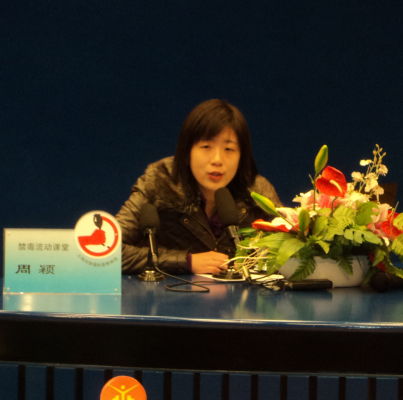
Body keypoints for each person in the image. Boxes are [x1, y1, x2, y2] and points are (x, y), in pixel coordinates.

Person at [116, 99, 282, 275]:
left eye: (228, 149)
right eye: (206, 147)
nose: (217, 160)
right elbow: (107, 251)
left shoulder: (258, 196)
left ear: (241, 156)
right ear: (187, 152)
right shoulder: (159, 184)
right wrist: (185, 261)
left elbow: (293, 251)